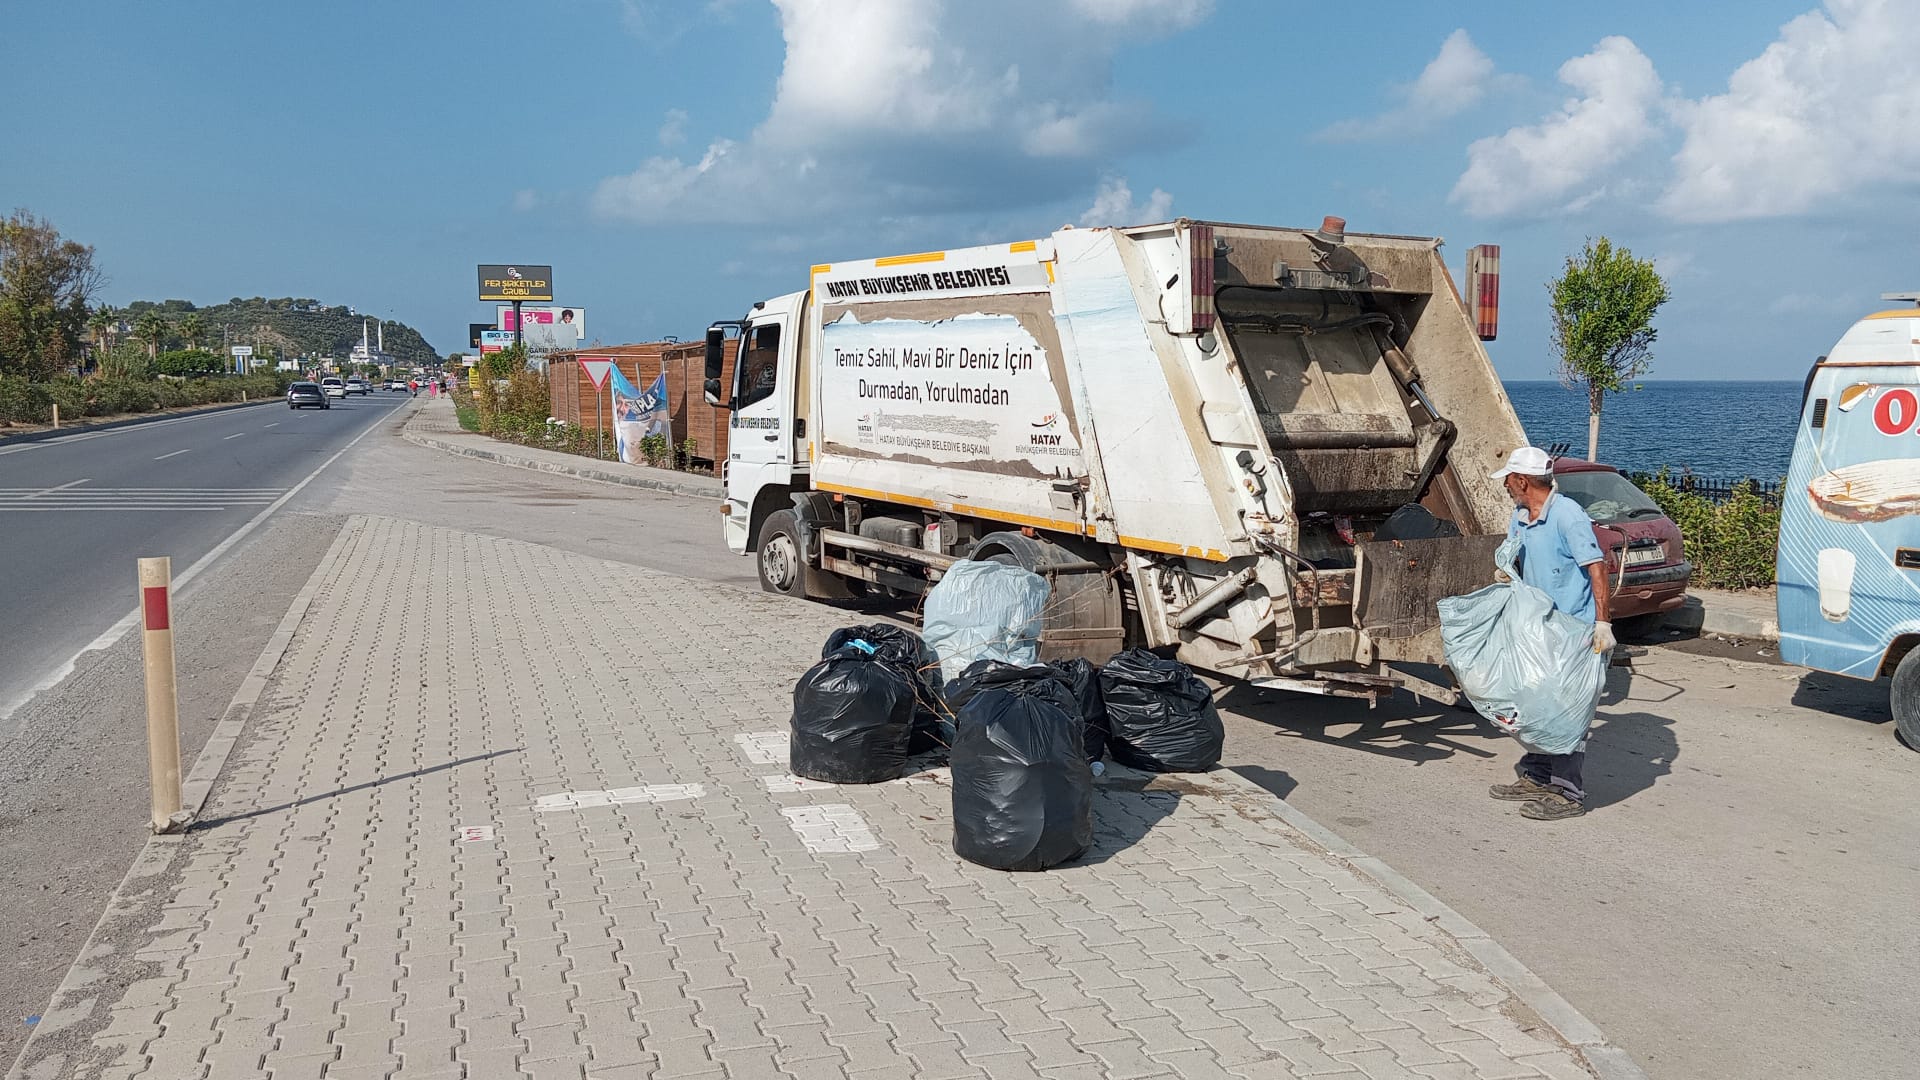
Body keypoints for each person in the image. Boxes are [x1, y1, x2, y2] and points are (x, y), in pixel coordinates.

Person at [1485, 446, 1613, 821]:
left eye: (1508, 479)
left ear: (1522, 481)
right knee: (1534, 702)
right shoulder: (1521, 515)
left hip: (1573, 629)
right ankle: (1538, 774)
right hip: (1537, 624)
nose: (1505, 485)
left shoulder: (1567, 516)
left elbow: (1597, 568)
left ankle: (1568, 793)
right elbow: (1516, 557)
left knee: (1566, 712)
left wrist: (1602, 624)